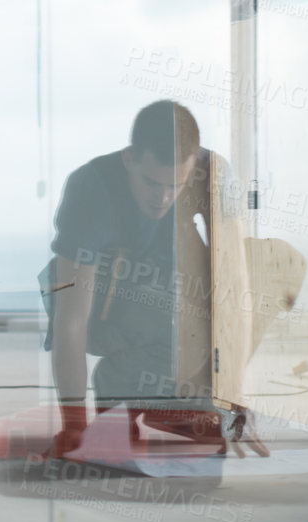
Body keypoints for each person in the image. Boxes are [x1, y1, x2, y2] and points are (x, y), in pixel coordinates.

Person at [45, 100, 265, 459]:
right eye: (151, 182)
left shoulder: (216, 175)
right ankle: (119, 388)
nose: (162, 197)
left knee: (269, 271)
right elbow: (70, 321)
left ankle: (167, 399)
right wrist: (73, 425)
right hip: (107, 296)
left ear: (193, 168)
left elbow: (235, 292)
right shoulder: (90, 187)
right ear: (129, 159)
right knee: (155, 307)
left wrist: (232, 399)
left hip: (172, 282)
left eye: (175, 185)